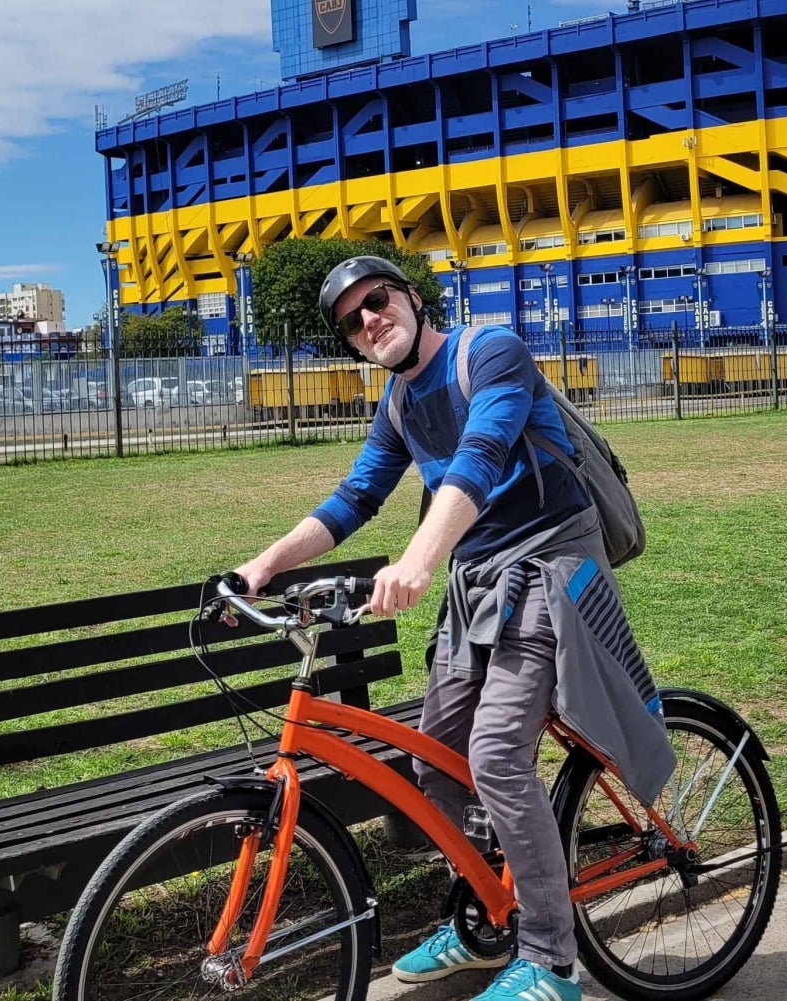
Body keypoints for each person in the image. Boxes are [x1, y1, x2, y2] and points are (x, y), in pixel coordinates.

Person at [234, 256, 675, 1001]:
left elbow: (481, 456)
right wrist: (264, 564)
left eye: (377, 299)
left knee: (498, 753)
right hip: (479, 583)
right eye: (351, 319)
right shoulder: (400, 403)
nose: (369, 318)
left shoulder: (489, 350)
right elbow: (355, 495)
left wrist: (417, 559)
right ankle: (481, 920)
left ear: (411, 296)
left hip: (547, 563)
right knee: (438, 761)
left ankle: (551, 960)